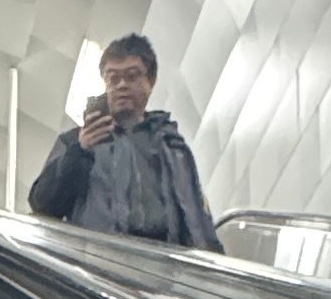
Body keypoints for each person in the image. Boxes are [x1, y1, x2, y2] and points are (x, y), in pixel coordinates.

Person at [27, 33, 218, 245]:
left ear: (150, 81)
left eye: (132, 76)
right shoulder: (75, 142)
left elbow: (198, 221)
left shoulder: (172, 147)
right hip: (98, 263)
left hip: (164, 265)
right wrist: (79, 151)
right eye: (113, 78)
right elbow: (42, 205)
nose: (121, 85)